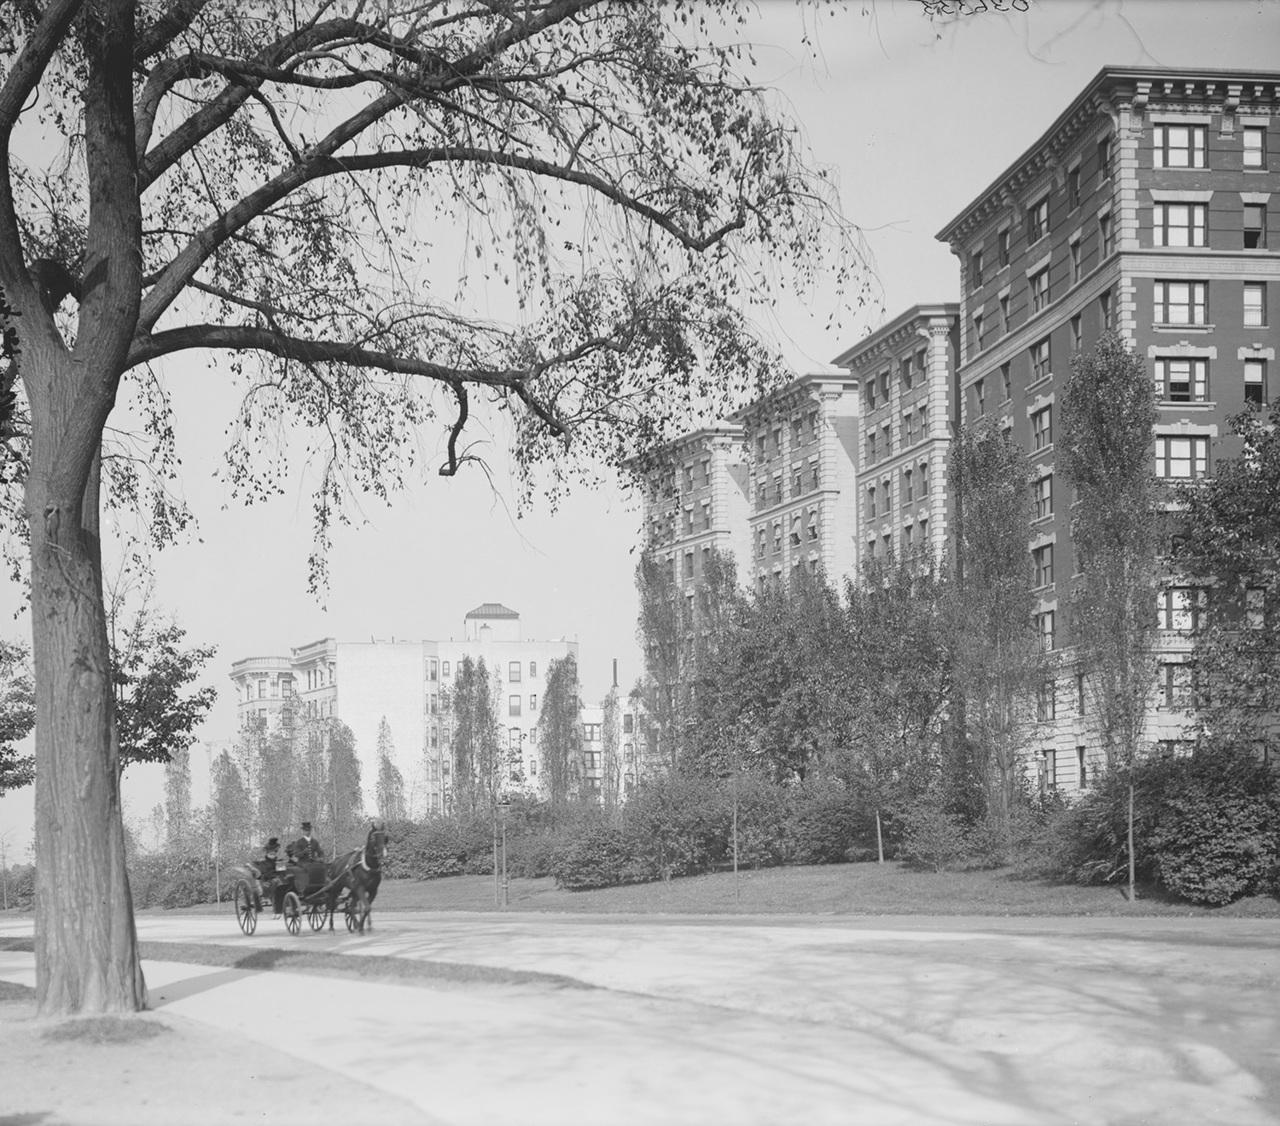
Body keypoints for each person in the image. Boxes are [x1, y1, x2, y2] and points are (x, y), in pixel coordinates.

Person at [251, 838, 286, 917]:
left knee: (282, 882)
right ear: (267, 852)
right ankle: (277, 910)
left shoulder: (279, 862)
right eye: (270, 851)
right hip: (266, 884)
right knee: (276, 883)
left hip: (279, 882)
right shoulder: (261, 862)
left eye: (274, 851)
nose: (272, 853)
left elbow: (282, 874)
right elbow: (257, 874)